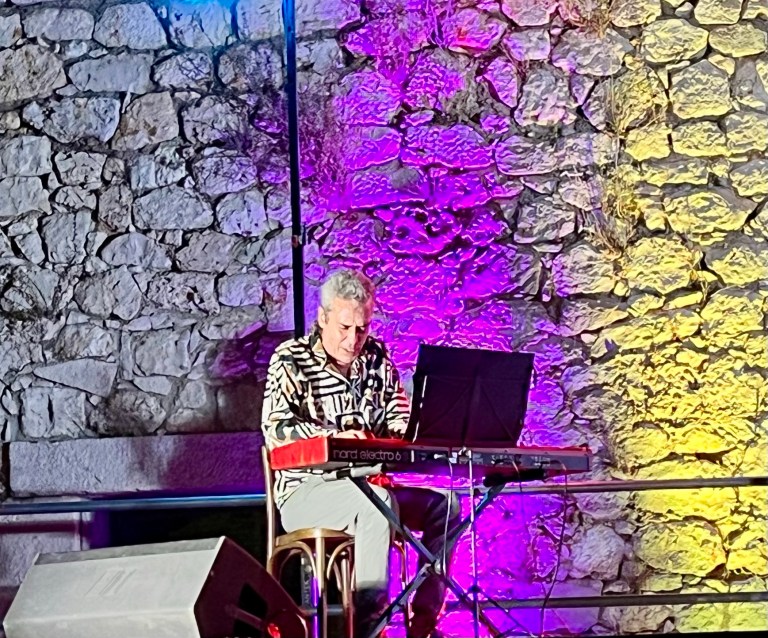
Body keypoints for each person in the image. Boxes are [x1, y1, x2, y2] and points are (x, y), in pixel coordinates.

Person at [262, 268, 461, 638]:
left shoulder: (376, 357)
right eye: (344, 327)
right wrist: (336, 437)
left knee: (447, 506)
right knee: (376, 504)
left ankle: (425, 620)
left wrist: (419, 430)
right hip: (307, 492)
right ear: (323, 318)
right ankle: (371, 626)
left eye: (362, 328)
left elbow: (398, 418)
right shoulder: (290, 359)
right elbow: (277, 429)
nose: (353, 339)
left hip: (372, 487)